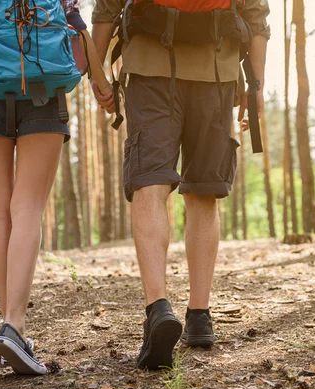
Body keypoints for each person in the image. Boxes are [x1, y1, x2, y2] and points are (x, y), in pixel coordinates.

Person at [91, 0, 271, 369]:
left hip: (148, 67)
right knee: (204, 192)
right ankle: (200, 316)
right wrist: (255, 83)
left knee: (149, 184)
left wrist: (98, 73)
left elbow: (106, 8)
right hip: (217, 67)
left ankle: (158, 307)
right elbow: (256, 13)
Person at [0, 0, 108, 375]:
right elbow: (74, 23)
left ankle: (11, 327)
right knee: (28, 207)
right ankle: (14, 326)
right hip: (45, 85)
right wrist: (100, 81)